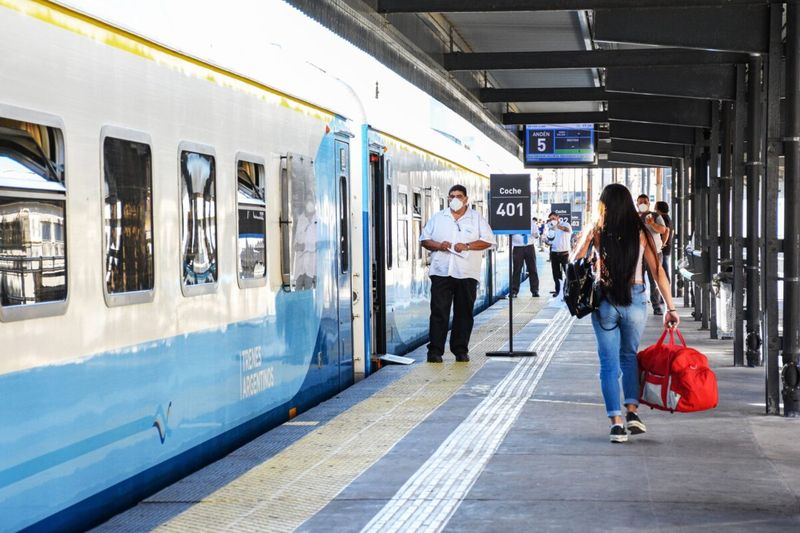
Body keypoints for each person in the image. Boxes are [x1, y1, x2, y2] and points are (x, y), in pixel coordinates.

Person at [572, 184, 680, 443]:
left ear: (604, 205)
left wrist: (586, 237)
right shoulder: (642, 231)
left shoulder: (597, 229)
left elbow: (574, 261)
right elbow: (658, 272)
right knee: (629, 356)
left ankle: (616, 424)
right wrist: (670, 308)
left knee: (608, 364)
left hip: (605, 302)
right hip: (635, 299)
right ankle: (632, 411)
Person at [420, 185, 495, 363]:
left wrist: (467, 246)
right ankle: (435, 352)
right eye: (452, 196)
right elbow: (424, 240)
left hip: (466, 273)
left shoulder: (476, 219)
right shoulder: (439, 218)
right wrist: (439, 245)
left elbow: (488, 241)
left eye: (459, 196)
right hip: (441, 272)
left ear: (466, 199)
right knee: (439, 311)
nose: (455, 199)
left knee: (464, 312)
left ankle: (460, 350)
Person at [636, 194, 669, 315]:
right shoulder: (632, 217)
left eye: (645, 201)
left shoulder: (655, 216)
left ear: (649, 203)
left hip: (655, 253)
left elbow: (664, 230)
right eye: (641, 202)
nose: (643, 204)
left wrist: (652, 224)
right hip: (638, 255)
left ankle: (657, 306)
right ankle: (639, 305)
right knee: (637, 281)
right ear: (637, 204)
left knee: (655, 280)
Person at [510, 216, 540, 298]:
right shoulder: (513, 221)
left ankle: (535, 291)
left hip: (529, 246)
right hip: (518, 247)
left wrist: (535, 234)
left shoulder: (531, 222)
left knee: (532, 269)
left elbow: (537, 234)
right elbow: (507, 233)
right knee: (516, 270)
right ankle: (514, 291)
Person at [293, 197, 318, 289]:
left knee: (309, 293)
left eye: (311, 200)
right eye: (307, 200)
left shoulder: (319, 220)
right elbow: (295, 242)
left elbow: (319, 245)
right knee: (298, 293)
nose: (309, 203)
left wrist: (305, 246)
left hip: (312, 266)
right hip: (300, 266)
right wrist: (297, 246)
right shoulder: (301, 219)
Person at [547, 211, 572, 296]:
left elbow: (567, 230)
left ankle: (570, 291)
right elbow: (550, 239)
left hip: (565, 254)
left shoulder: (566, 224)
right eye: (550, 219)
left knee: (568, 273)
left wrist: (557, 226)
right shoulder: (550, 227)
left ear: (558, 217)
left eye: (553, 218)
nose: (552, 220)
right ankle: (558, 291)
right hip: (554, 253)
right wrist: (547, 241)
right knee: (556, 274)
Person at [655, 201, 672, 279]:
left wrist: (662, 244)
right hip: (667, 246)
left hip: (664, 248)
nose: (654, 207)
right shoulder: (668, 218)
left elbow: (667, 231)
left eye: (656, 206)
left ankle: (667, 286)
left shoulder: (663, 218)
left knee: (664, 269)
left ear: (659, 208)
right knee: (664, 267)